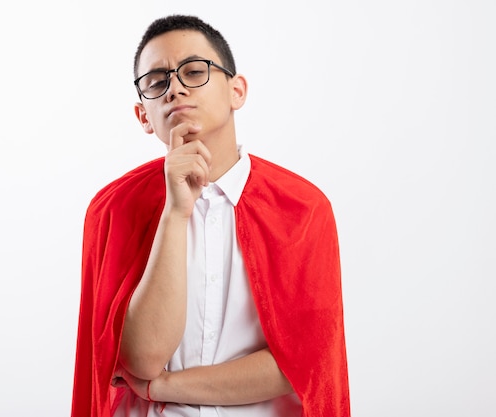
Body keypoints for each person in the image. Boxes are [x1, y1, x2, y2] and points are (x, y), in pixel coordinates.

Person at [71, 14, 350, 417]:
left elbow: (301, 365)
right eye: (157, 82)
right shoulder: (113, 209)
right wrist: (176, 212)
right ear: (143, 116)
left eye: (194, 71)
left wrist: (164, 386)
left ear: (237, 91)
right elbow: (142, 359)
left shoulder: (302, 208)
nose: (175, 88)